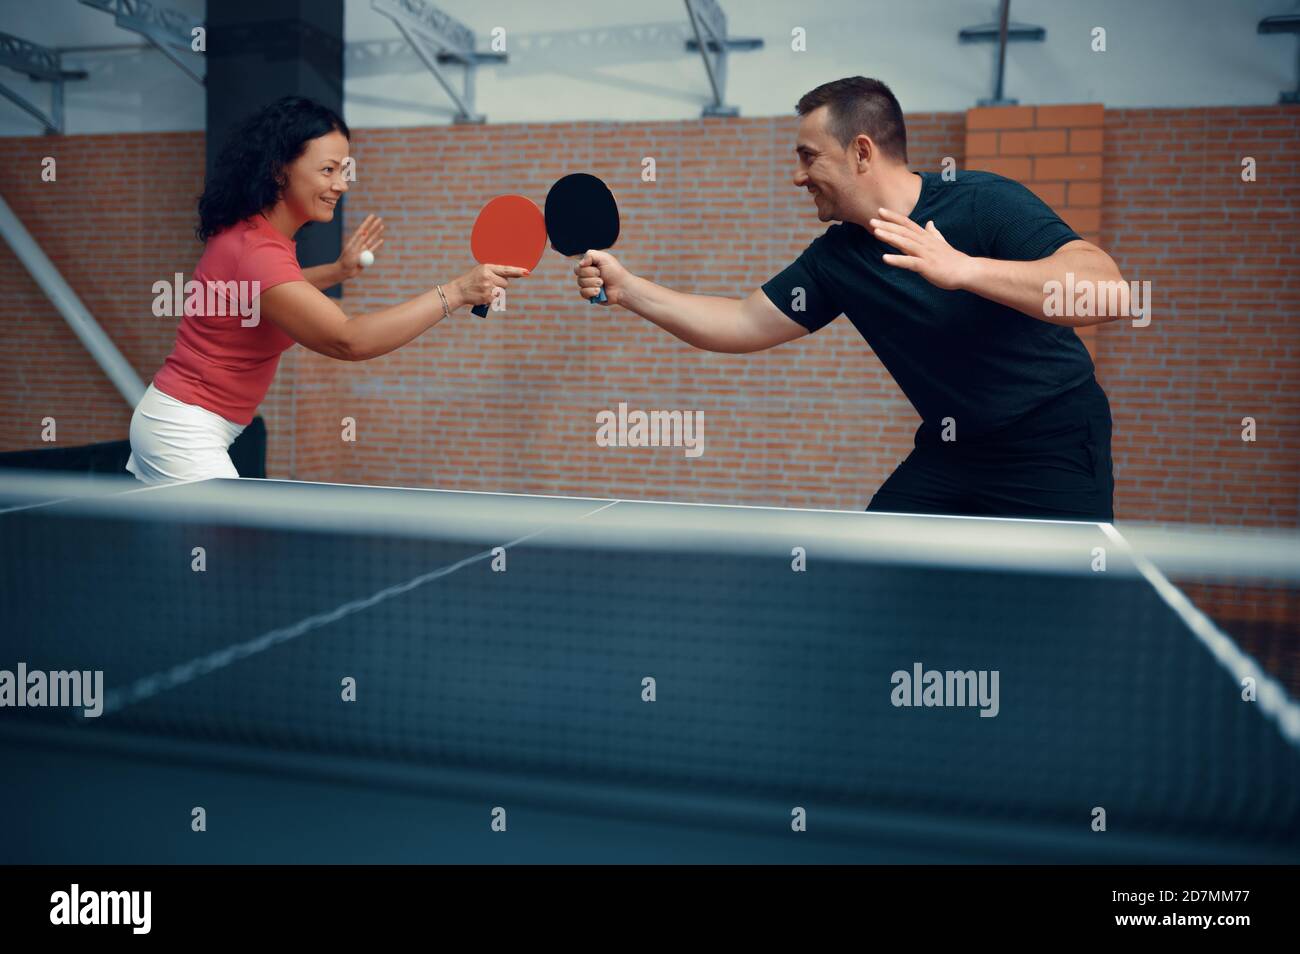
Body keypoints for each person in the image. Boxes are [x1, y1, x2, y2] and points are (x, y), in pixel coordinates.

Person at [573, 77, 1127, 521]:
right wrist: (628, 289)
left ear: (861, 152)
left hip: (1053, 443)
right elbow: (742, 323)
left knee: (1063, 623)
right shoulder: (837, 259)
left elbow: (1106, 291)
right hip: (955, 450)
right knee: (871, 576)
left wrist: (965, 270)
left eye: (809, 156)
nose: (797, 176)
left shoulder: (983, 203)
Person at [127, 95, 525, 484]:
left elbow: (270, 294)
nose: (341, 185)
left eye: (344, 170)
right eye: (328, 170)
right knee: (225, 548)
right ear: (280, 170)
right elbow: (346, 340)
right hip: (180, 431)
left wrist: (338, 271)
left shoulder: (254, 236)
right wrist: (455, 293)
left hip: (178, 419)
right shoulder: (258, 252)